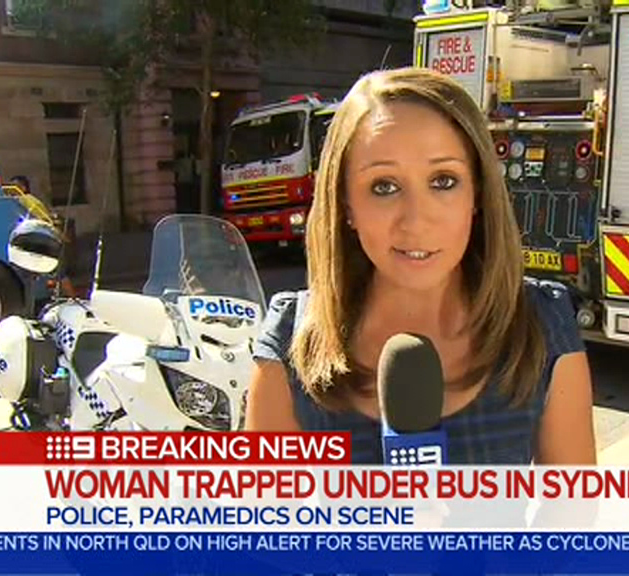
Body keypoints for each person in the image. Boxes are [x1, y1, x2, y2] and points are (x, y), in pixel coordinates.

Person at [244, 67, 596, 466]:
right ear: (346, 205)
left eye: (443, 181)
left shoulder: (542, 326)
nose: (416, 221)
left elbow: (572, 500)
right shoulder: (291, 344)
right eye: (384, 187)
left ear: (477, 193)